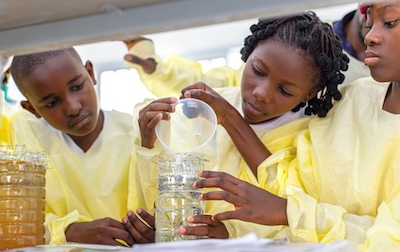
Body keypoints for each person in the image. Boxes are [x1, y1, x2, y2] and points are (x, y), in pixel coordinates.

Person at [183, 1, 400, 250]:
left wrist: (291, 213)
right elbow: (286, 189)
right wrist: (231, 234)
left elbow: (388, 241)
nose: (370, 37)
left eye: (390, 22)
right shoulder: (353, 99)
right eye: (370, 23)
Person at [123, 11, 349, 241]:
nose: (262, 93)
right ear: (247, 55)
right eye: (258, 71)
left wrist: (230, 236)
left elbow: (294, 215)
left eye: (284, 90)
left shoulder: (310, 137)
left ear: (308, 94)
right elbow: (157, 193)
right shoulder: (201, 110)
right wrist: (149, 142)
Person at [8, 48, 145, 246]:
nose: (73, 108)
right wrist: (67, 231)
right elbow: (13, 220)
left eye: (77, 86)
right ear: (32, 109)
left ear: (90, 73)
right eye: (52, 102)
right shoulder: (21, 139)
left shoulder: (140, 136)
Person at [123, 7, 369, 99]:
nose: (262, 93)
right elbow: (222, 85)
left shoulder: (385, 79)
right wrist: (160, 71)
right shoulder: (301, 36)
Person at [123, 38, 243, 98]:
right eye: (258, 71)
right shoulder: (237, 82)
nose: (261, 93)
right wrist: (158, 72)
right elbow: (209, 87)